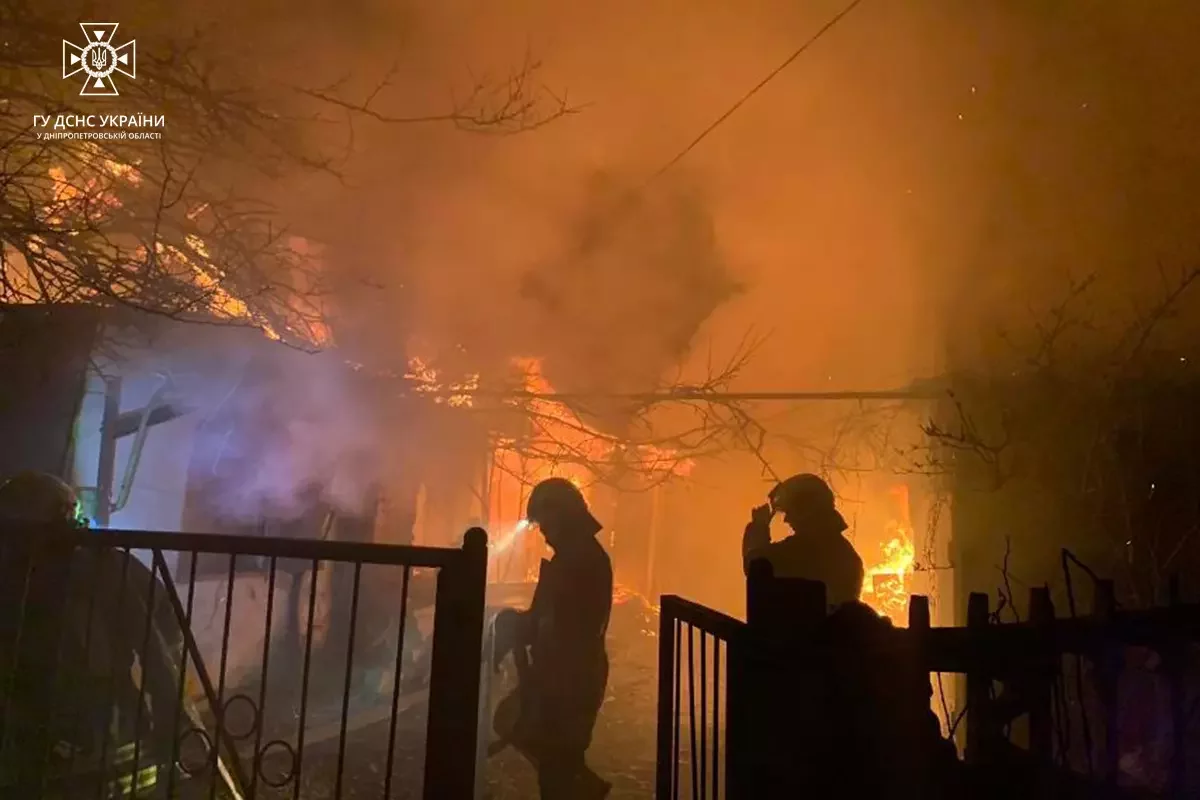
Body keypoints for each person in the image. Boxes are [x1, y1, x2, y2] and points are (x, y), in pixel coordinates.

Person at [0, 471, 183, 797]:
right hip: (85, 722)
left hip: (92, 722)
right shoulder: (107, 565)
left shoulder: (102, 568)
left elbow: (162, 639)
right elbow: (164, 639)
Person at [492, 478, 613, 800]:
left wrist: (518, 630)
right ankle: (581, 784)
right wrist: (516, 626)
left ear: (562, 515)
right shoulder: (574, 558)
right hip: (563, 675)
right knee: (540, 746)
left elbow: (564, 624)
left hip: (570, 678)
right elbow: (545, 619)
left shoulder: (580, 561)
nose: (543, 530)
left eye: (544, 521)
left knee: (556, 764)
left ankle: (583, 787)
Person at [742, 472, 864, 609]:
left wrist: (759, 526)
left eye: (790, 511)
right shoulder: (846, 554)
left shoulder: (802, 551)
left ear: (805, 509)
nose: (786, 519)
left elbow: (755, 566)